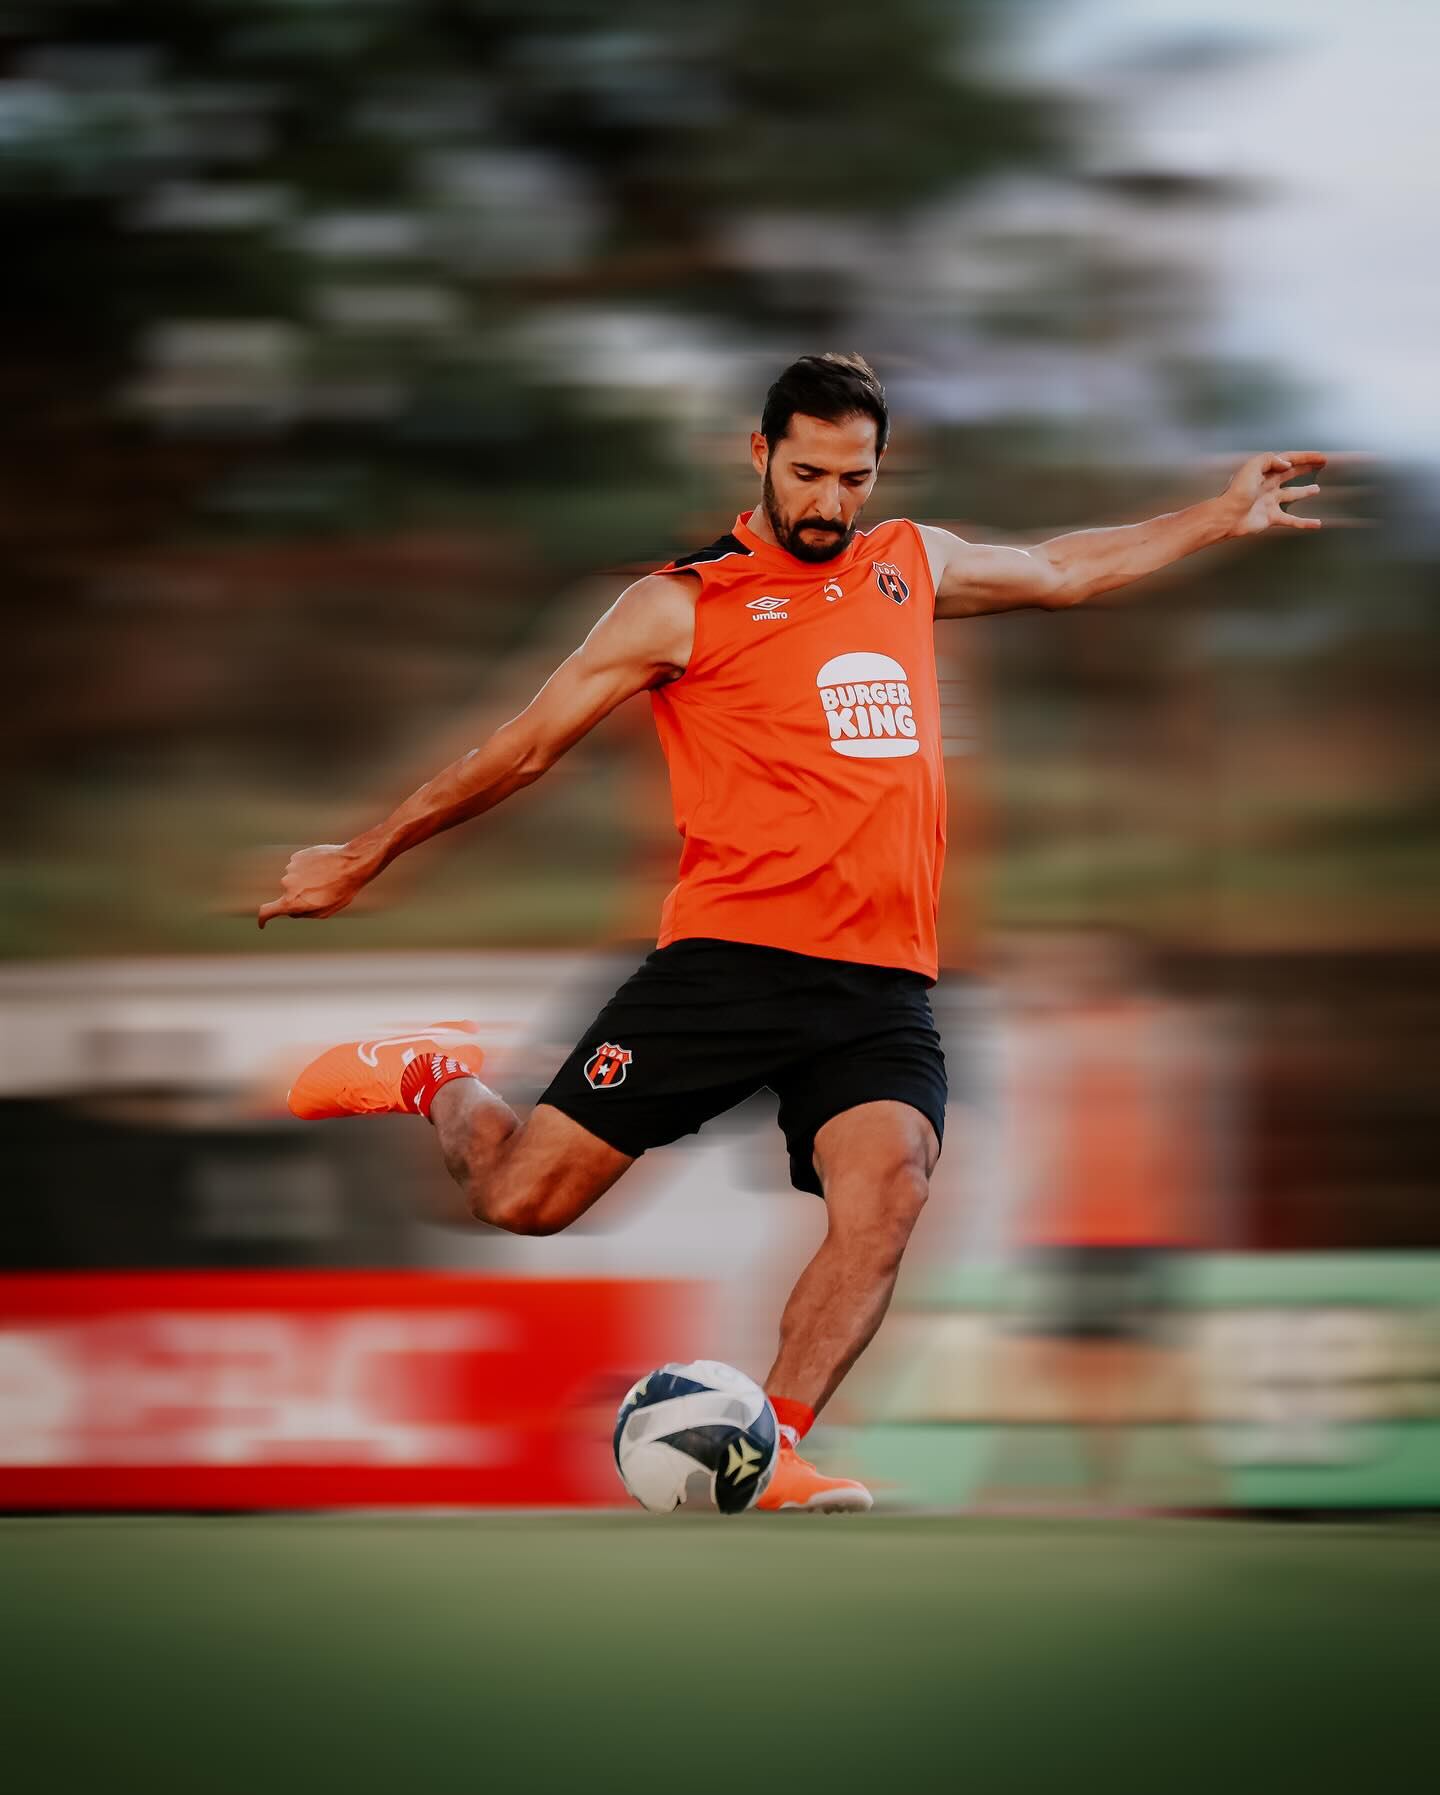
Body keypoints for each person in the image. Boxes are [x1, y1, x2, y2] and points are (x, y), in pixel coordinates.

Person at [258, 353, 1325, 1511]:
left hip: (881, 984)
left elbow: (1064, 568)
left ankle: (770, 1445)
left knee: (894, 1189)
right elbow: (519, 751)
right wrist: (363, 855)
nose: (830, 501)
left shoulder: (908, 562)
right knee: (523, 1201)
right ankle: (432, 1073)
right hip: (727, 967)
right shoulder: (679, 603)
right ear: (760, 454)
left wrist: (1216, 516)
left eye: (853, 477)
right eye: (809, 473)